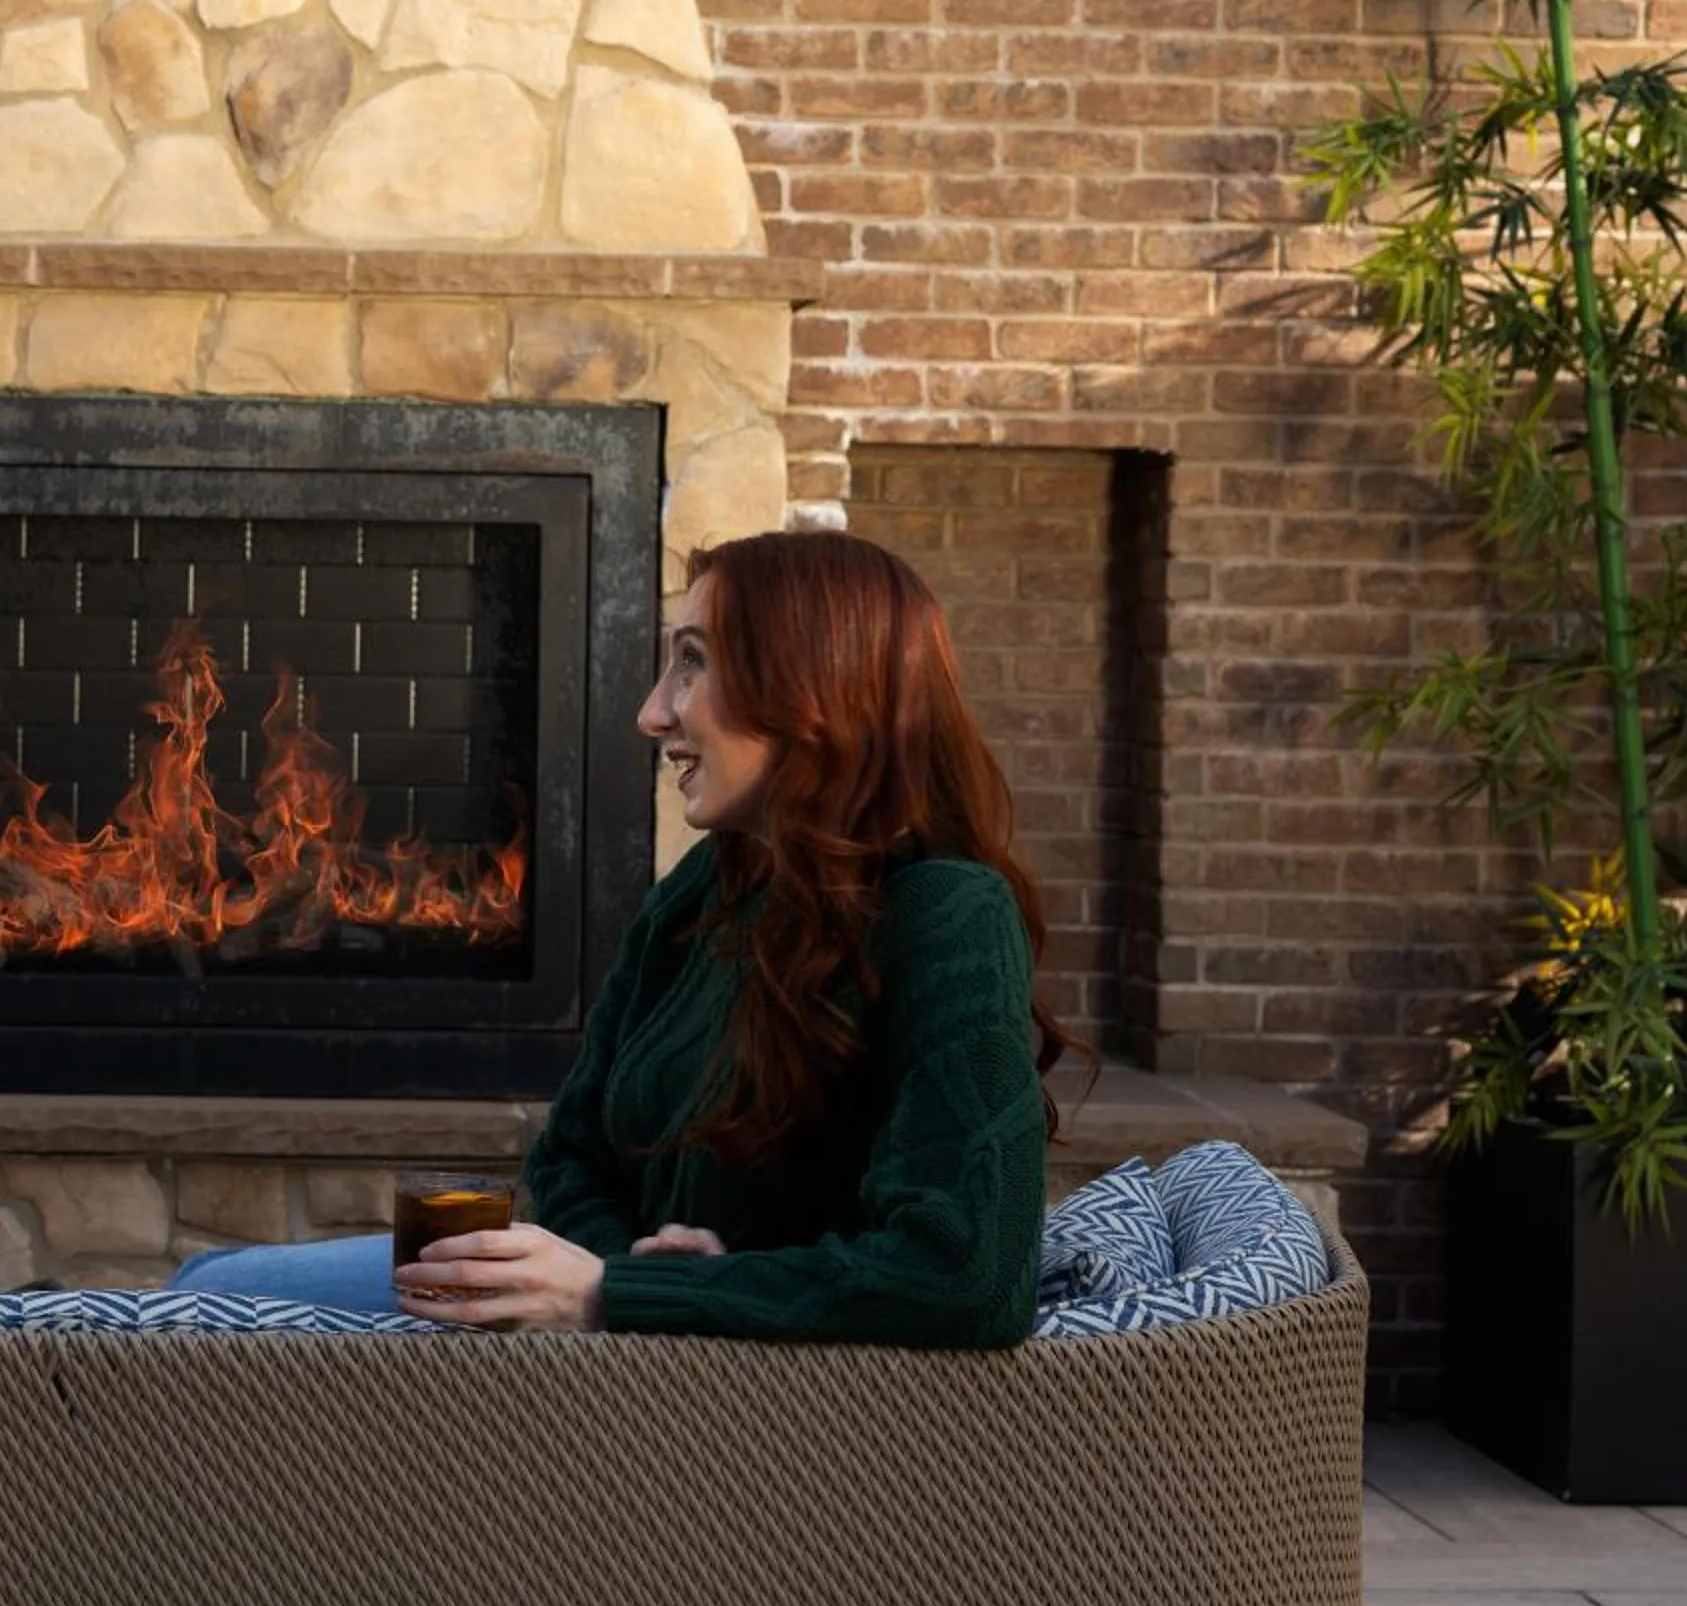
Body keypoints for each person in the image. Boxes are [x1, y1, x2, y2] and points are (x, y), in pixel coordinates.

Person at [167, 528, 1064, 1340]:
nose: (653, 714)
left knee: (199, 1309)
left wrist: (623, 1296)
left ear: (813, 687)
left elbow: (968, 1277)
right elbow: (569, 1157)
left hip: (709, 1358)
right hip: (609, 1291)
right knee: (203, 1284)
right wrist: (620, 1264)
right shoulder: (709, 888)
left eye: (692, 665)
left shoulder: (948, 916)